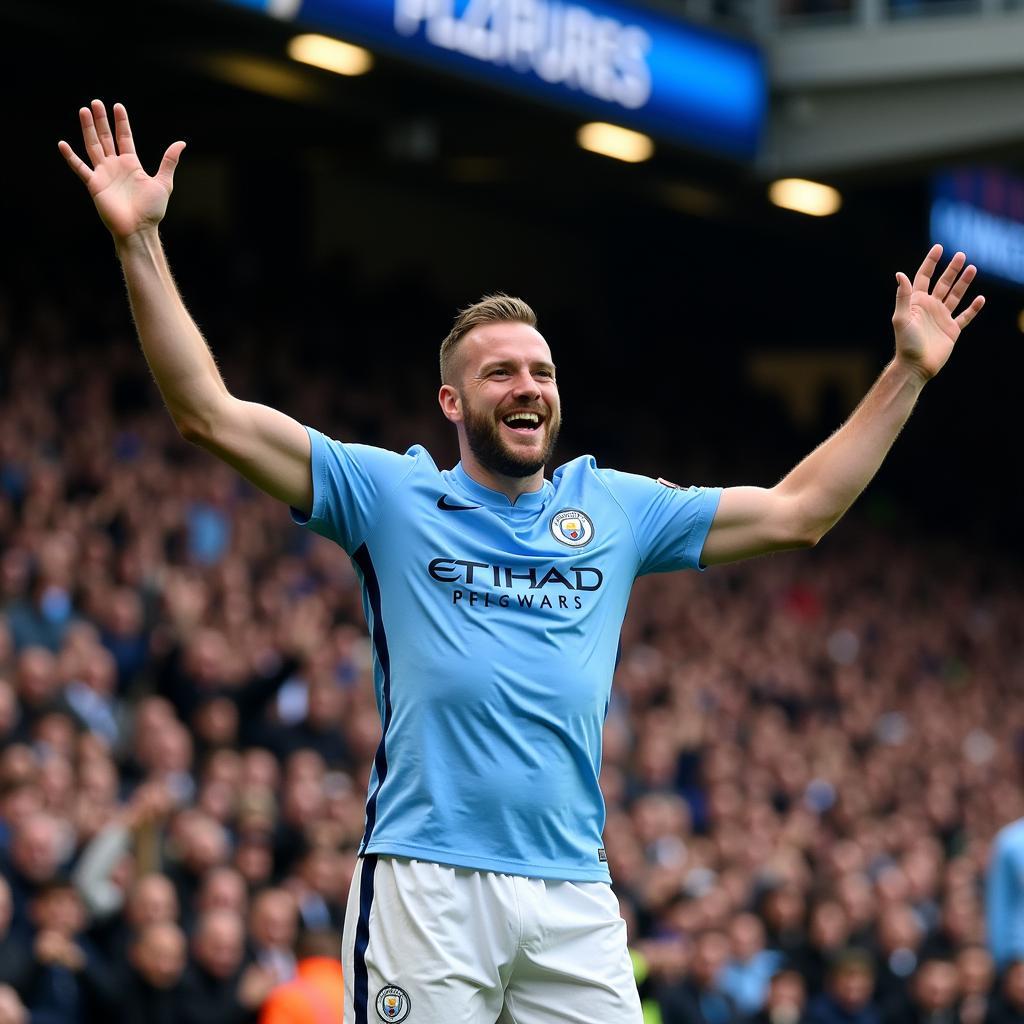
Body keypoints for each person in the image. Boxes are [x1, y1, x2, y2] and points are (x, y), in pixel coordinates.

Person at [59, 99, 986, 1024]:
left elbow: (799, 513)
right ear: (453, 403)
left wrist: (906, 371)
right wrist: (139, 240)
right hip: (428, 882)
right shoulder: (389, 496)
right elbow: (208, 413)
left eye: (541, 372)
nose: (528, 386)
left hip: (573, 893)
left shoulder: (616, 507)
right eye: (501, 373)